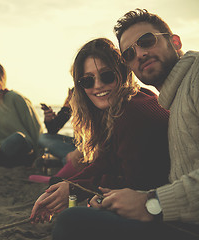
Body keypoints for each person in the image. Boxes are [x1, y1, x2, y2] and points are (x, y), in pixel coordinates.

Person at [52, 9, 199, 239]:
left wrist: (151, 203)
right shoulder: (168, 99)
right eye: (129, 53)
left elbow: (141, 182)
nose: (140, 54)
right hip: (179, 218)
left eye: (147, 41)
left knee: (70, 222)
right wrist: (75, 186)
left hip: (182, 224)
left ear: (175, 41)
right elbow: (111, 161)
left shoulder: (193, 79)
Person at [30, 38, 171, 229]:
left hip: (166, 214)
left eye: (106, 76)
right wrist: (69, 187)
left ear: (121, 73)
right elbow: (109, 159)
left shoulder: (133, 112)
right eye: (87, 80)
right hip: (154, 202)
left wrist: (84, 192)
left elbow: (136, 185)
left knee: (69, 222)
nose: (97, 85)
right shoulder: (132, 100)